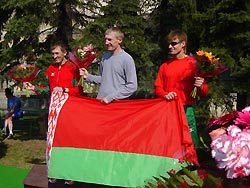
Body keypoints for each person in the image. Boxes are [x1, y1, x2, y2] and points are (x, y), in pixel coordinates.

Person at [24, 41, 81, 185]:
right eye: (53, 54)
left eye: (57, 53)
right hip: (54, 111)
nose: (55, 56)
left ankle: (69, 173)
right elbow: (49, 90)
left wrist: (64, 89)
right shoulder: (50, 69)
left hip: (70, 109)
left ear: (64, 52)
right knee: (54, 142)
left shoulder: (73, 68)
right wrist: (34, 88)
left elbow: (79, 91)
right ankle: (54, 171)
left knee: (69, 142)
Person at [154, 29, 208, 147]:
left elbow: (203, 92)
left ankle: (190, 164)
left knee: (189, 142)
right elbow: (158, 87)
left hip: (186, 110)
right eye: (169, 44)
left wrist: (200, 86)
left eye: (174, 43)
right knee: (168, 142)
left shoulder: (194, 64)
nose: (170, 46)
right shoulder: (165, 66)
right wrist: (165, 94)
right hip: (168, 110)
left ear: (183, 44)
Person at [80, 27, 138, 104]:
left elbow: (132, 86)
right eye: (106, 39)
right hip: (101, 102)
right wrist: (87, 76)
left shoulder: (127, 59)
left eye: (109, 39)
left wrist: (110, 97)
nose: (106, 43)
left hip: (117, 105)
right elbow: (104, 79)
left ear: (119, 40)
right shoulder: (105, 57)